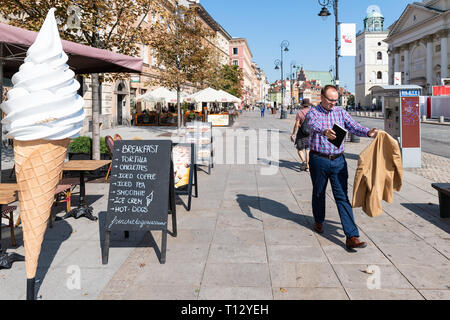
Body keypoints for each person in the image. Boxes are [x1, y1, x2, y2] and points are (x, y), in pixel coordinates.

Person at [306, 85, 378, 250]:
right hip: (319, 159)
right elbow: (312, 125)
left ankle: (352, 236)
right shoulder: (313, 112)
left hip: (338, 161)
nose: (333, 103)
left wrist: (368, 132)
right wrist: (324, 131)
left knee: (342, 197)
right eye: (330, 100)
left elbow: (353, 126)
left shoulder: (340, 112)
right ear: (322, 98)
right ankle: (318, 220)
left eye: (335, 100)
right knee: (318, 193)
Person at [290, 98, 312, 171]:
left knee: (299, 149)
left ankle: (304, 161)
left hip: (301, 133)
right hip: (310, 133)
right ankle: (308, 167)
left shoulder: (300, 112)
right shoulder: (312, 112)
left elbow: (296, 125)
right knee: (308, 150)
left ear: (302, 105)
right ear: (309, 104)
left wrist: (293, 134)